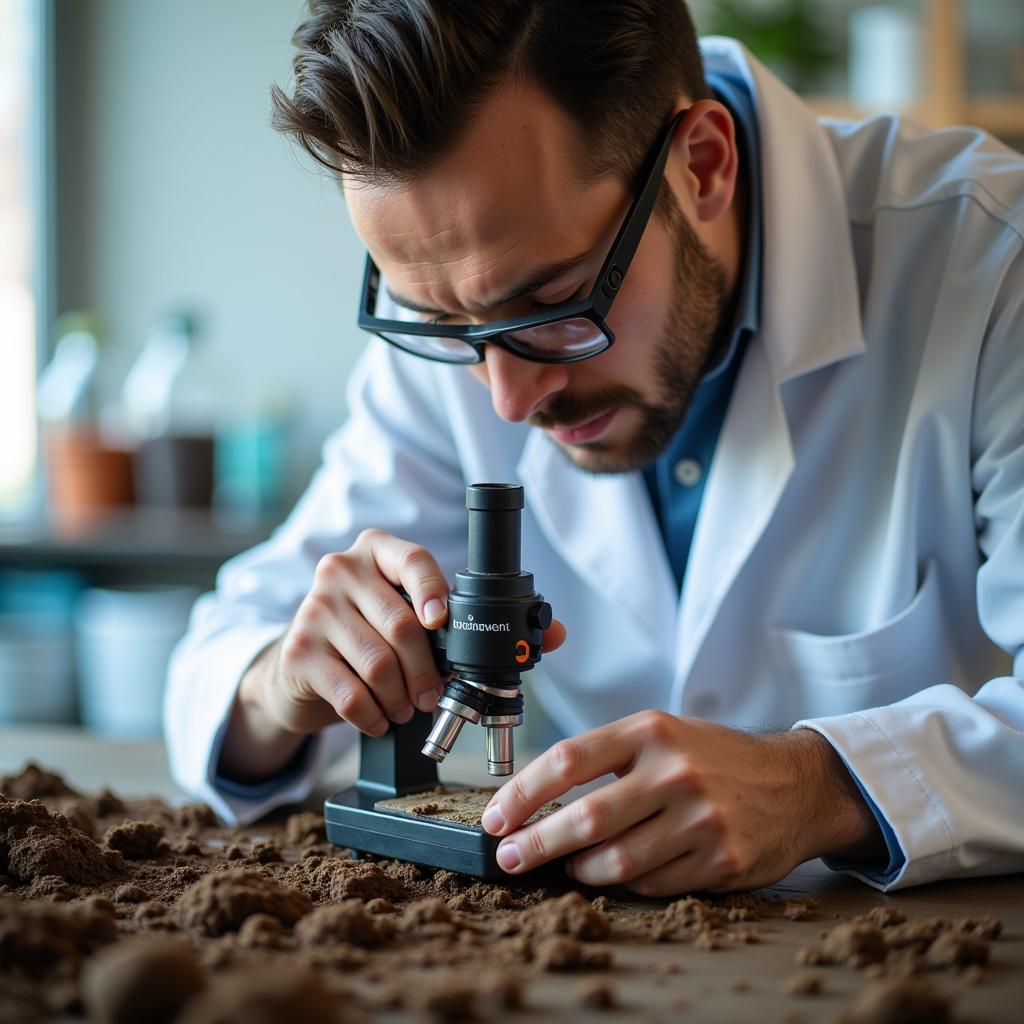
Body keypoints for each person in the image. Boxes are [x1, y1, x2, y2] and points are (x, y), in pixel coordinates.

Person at [166, 0, 1024, 895]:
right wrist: (282, 684)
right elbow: (218, 657)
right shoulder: (458, 330)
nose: (505, 397)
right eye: (444, 321)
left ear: (703, 166)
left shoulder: (993, 267)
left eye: (555, 301)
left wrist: (823, 786)